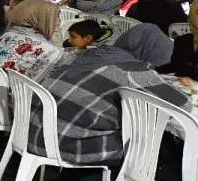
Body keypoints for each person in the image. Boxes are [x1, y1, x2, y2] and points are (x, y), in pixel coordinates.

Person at [39, 24, 187, 167]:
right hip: (69, 148)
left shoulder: (83, 54)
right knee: (149, 141)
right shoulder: (132, 69)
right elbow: (182, 106)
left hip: (37, 135)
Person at [0, 0, 63, 81]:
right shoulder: (52, 51)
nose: (59, 22)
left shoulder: (8, 34)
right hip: (9, 92)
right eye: (56, 17)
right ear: (43, 18)